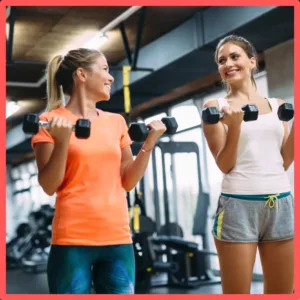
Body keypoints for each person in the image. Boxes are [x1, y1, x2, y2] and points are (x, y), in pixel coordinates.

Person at [31, 48, 167, 294]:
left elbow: (127, 182)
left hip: (117, 238)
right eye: (105, 69)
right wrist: (62, 141)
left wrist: (149, 144)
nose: (111, 77)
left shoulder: (116, 122)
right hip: (72, 240)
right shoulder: (50, 121)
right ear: (81, 75)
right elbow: (49, 185)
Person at [202, 35, 294, 294]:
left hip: (281, 202)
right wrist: (234, 127)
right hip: (238, 205)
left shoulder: (277, 106)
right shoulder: (216, 108)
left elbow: (284, 160)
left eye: (234, 56)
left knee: (281, 293)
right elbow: (225, 164)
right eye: (221, 60)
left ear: (252, 61)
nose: (227, 63)